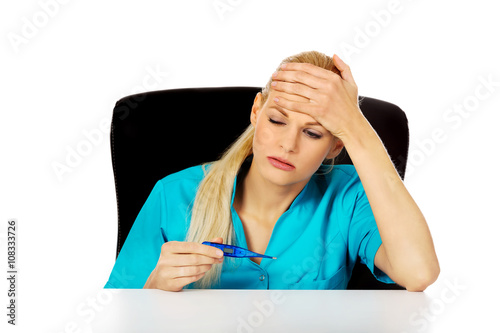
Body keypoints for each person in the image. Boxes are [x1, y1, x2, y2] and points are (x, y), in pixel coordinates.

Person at [104, 50, 440, 292]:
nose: (288, 144)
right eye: (277, 120)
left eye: (313, 133)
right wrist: (153, 288)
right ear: (256, 112)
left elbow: (419, 273)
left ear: (336, 147)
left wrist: (355, 127)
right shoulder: (173, 194)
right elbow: (115, 319)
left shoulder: (350, 196)